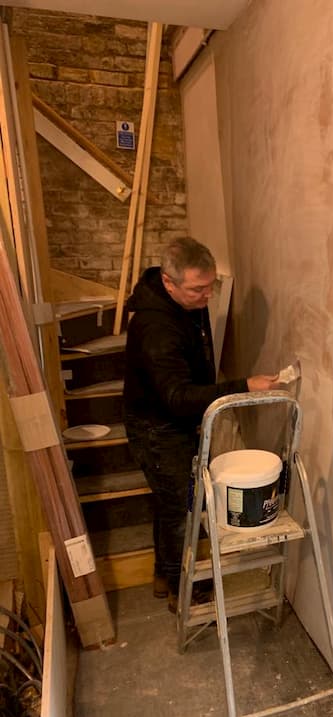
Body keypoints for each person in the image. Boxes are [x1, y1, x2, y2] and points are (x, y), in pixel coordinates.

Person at [124, 236, 279, 611]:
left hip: (169, 423)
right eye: (197, 289)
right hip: (157, 430)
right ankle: (184, 592)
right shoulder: (156, 328)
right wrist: (242, 386)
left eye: (211, 287)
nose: (207, 296)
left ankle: (166, 576)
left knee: (171, 505)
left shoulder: (185, 304)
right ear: (168, 281)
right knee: (183, 510)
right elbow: (177, 398)